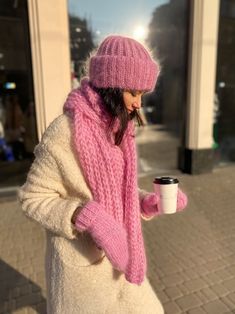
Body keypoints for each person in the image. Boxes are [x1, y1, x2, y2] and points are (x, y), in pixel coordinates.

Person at [18, 35, 188, 314]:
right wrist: (85, 215)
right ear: (111, 85)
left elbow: (120, 190)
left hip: (122, 260)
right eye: (133, 92)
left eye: (143, 94)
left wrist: (147, 202)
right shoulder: (64, 131)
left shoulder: (118, 130)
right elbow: (31, 198)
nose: (138, 104)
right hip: (81, 276)